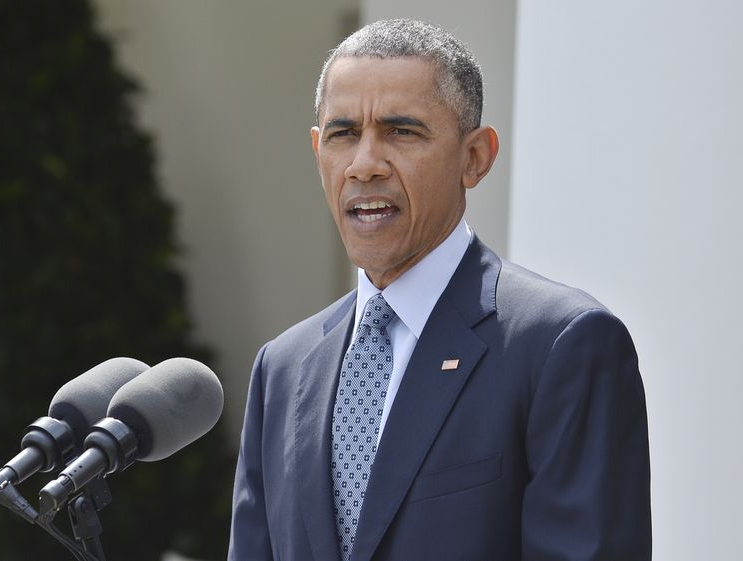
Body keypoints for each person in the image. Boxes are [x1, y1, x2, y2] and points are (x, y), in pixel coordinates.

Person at [228, 18, 651, 561]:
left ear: (475, 157)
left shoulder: (561, 345)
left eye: (402, 131)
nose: (364, 164)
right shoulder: (282, 369)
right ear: (318, 152)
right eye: (343, 134)